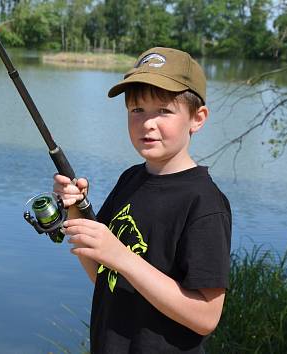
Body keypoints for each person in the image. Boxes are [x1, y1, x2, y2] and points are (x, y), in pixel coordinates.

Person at [53, 47, 232, 353]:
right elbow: (104, 276)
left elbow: (206, 317)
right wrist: (74, 211)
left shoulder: (204, 203)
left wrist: (122, 256)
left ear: (197, 118)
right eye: (137, 110)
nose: (148, 123)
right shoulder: (131, 180)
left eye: (163, 110)